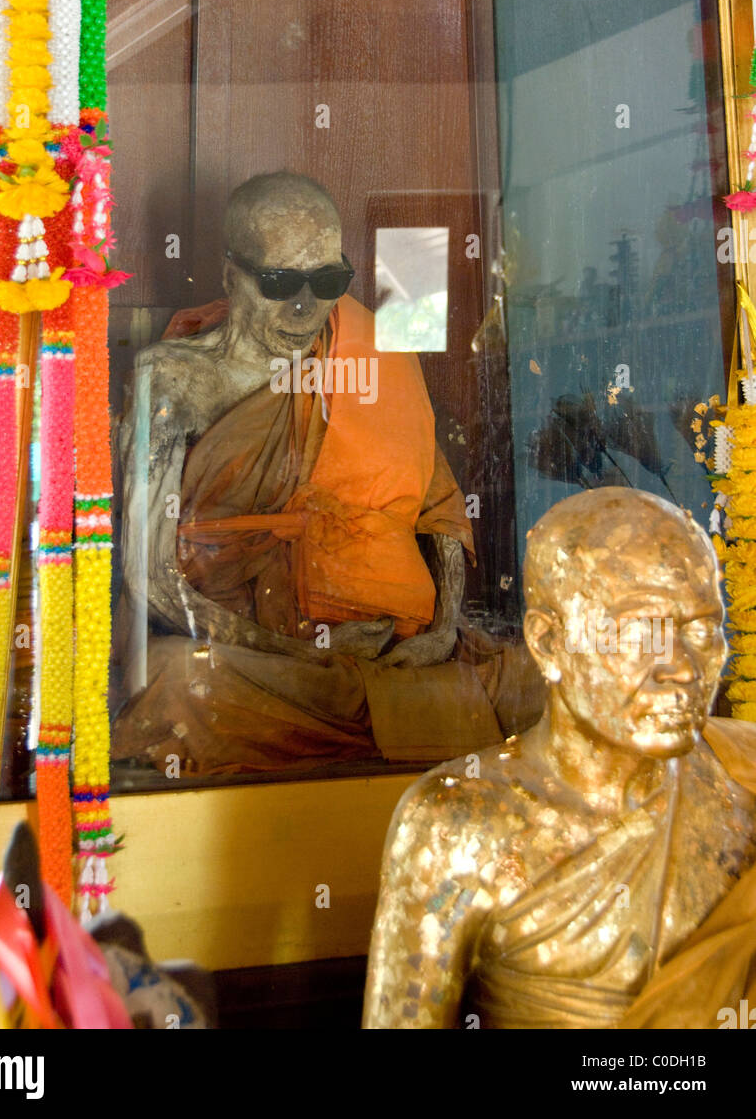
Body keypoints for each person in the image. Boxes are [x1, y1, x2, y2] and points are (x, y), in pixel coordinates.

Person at [112, 172, 516, 775]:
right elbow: (148, 574)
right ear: (231, 276)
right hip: (256, 657)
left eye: (327, 282)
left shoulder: (372, 356)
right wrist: (302, 653)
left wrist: (440, 634)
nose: (305, 309)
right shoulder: (172, 380)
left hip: (392, 648)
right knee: (177, 678)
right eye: (279, 283)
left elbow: (439, 511)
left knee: (525, 684)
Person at [363, 487, 756, 1028]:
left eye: (703, 631)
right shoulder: (457, 827)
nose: (684, 669)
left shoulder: (743, 779)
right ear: (549, 644)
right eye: (640, 631)